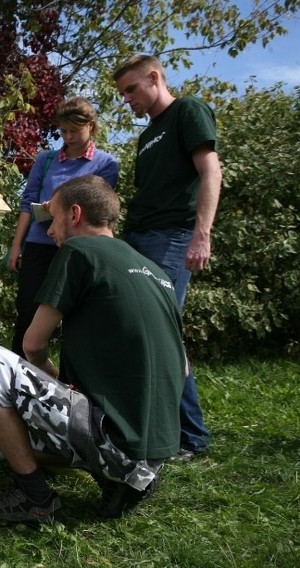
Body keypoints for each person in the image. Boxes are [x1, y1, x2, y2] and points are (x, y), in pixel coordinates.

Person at [0, 175, 186, 525]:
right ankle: (121, 483)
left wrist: (55, 384)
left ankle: (34, 498)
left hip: (115, 444)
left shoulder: (79, 252)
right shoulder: (155, 272)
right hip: (155, 454)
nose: (50, 231)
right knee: (2, 433)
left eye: (53, 219)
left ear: (75, 213)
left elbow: (33, 346)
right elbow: (183, 369)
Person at [113, 54, 222, 459]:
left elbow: (211, 172)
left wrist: (201, 236)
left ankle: (191, 437)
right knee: (141, 332)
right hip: (138, 236)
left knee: (163, 333)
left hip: (173, 238)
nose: (127, 99)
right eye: (123, 92)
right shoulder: (147, 136)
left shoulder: (187, 112)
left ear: (154, 78)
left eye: (132, 89)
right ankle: (154, 426)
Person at [7, 96, 119, 357]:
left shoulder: (106, 164)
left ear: (90, 126)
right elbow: (27, 203)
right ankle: (15, 377)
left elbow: (100, 208)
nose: (68, 137)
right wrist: (16, 246)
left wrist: (60, 206)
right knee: (28, 311)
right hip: (39, 246)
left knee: (78, 314)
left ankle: (70, 380)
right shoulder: (46, 160)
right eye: (63, 131)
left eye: (74, 130)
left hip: (78, 248)